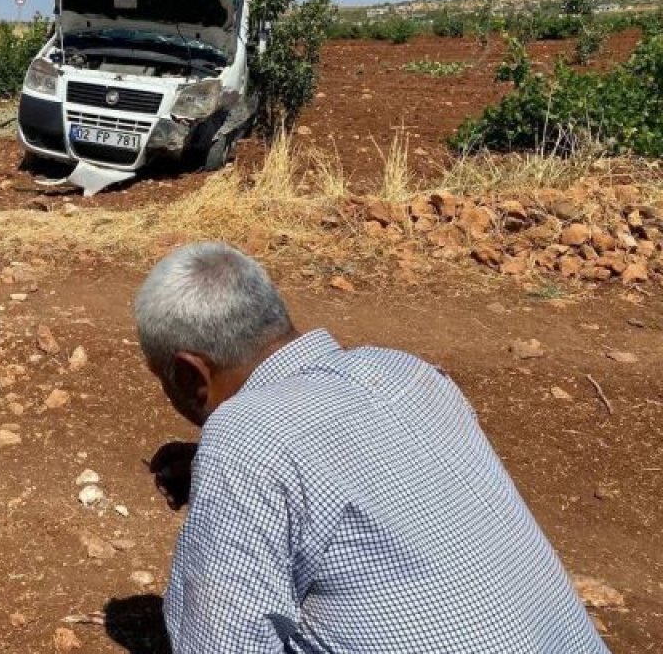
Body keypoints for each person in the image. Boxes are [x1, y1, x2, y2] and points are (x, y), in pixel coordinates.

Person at [134, 242, 608, 653]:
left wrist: (225, 466)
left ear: (187, 374)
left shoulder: (245, 436)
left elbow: (224, 643)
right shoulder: (404, 371)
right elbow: (386, 478)